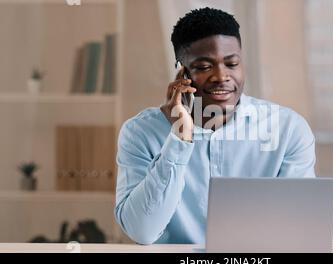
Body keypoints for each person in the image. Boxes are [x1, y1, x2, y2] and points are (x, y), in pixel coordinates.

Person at [115, 7, 316, 245]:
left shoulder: (288, 129)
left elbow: (300, 228)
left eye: (232, 63)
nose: (221, 76)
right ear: (182, 72)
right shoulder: (140, 133)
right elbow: (142, 231)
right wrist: (180, 139)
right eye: (203, 67)